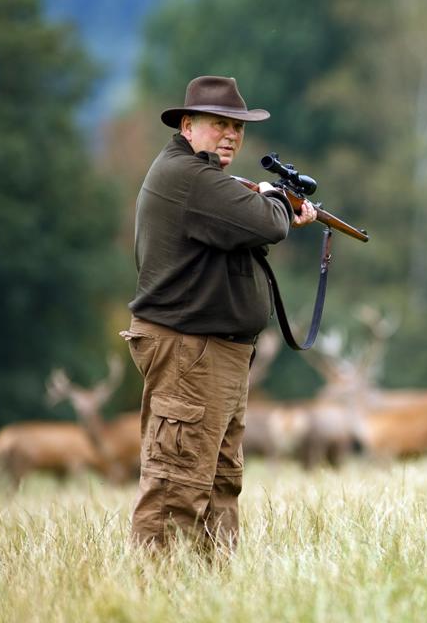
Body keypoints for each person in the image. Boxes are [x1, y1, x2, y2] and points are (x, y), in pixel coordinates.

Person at [120, 75, 316, 554]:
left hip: (213, 353)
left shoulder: (203, 177)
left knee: (219, 483)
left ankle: (210, 592)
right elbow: (266, 222)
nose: (231, 134)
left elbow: (245, 223)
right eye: (219, 124)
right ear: (188, 125)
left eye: (238, 127)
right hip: (190, 350)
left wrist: (265, 197)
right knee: (177, 485)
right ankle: (156, 595)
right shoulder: (190, 178)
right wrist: (276, 200)